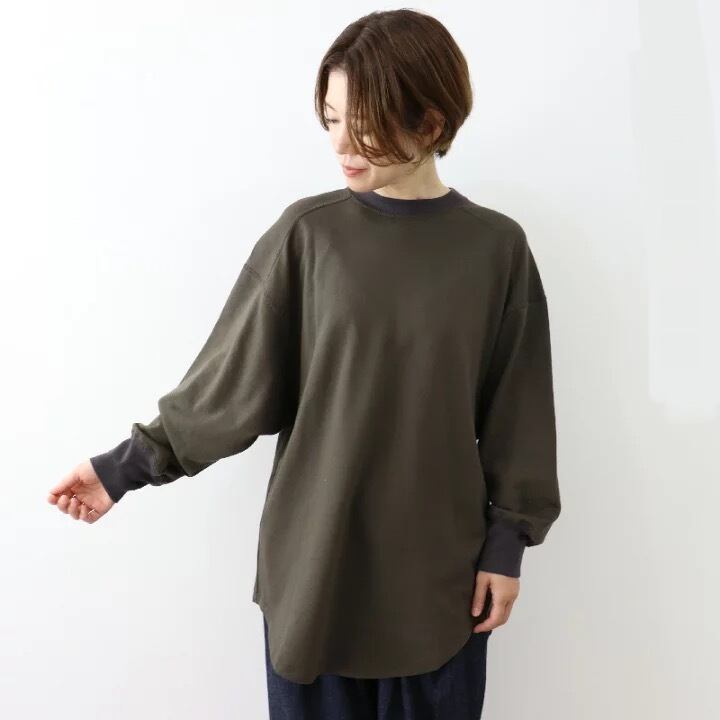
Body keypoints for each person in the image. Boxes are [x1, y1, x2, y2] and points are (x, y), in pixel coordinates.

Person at [47, 9, 561, 719]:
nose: (340, 145)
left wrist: (507, 546)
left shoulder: (495, 250)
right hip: (315, 575)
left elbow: (518, 416)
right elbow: (228, 387)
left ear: (431, 123)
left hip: (439, 585)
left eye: (364, 124)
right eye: (331, 120)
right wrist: (121, 468)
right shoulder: (309, 236)